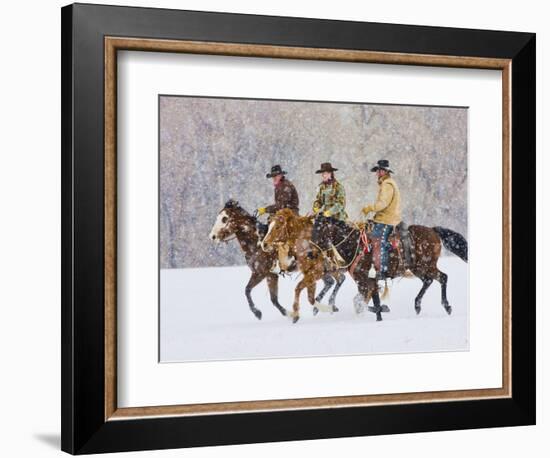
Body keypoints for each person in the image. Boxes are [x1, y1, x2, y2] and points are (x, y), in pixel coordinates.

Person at [361, 159, 402, 285]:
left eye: (381, 170)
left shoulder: (387, 184)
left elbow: (382, 204)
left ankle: (382, 272)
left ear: (386, 172)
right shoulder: (387, 183)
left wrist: (369, 208)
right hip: (384, 218)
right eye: (377, 170)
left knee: (378, 241)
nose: (378, 172)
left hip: (387, 219)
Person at [257, 165, 300, 272]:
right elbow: (279, 206)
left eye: (276, 176)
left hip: (291, 214)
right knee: (269, 225)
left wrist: (265, 209)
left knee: (278, 230)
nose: (274, 178)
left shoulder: (286, 186)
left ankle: (285, 259)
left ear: (281, 175)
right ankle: (273, 256)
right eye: (273, 176)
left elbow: (281, 205)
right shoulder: (279, 186)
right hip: (282, 213)